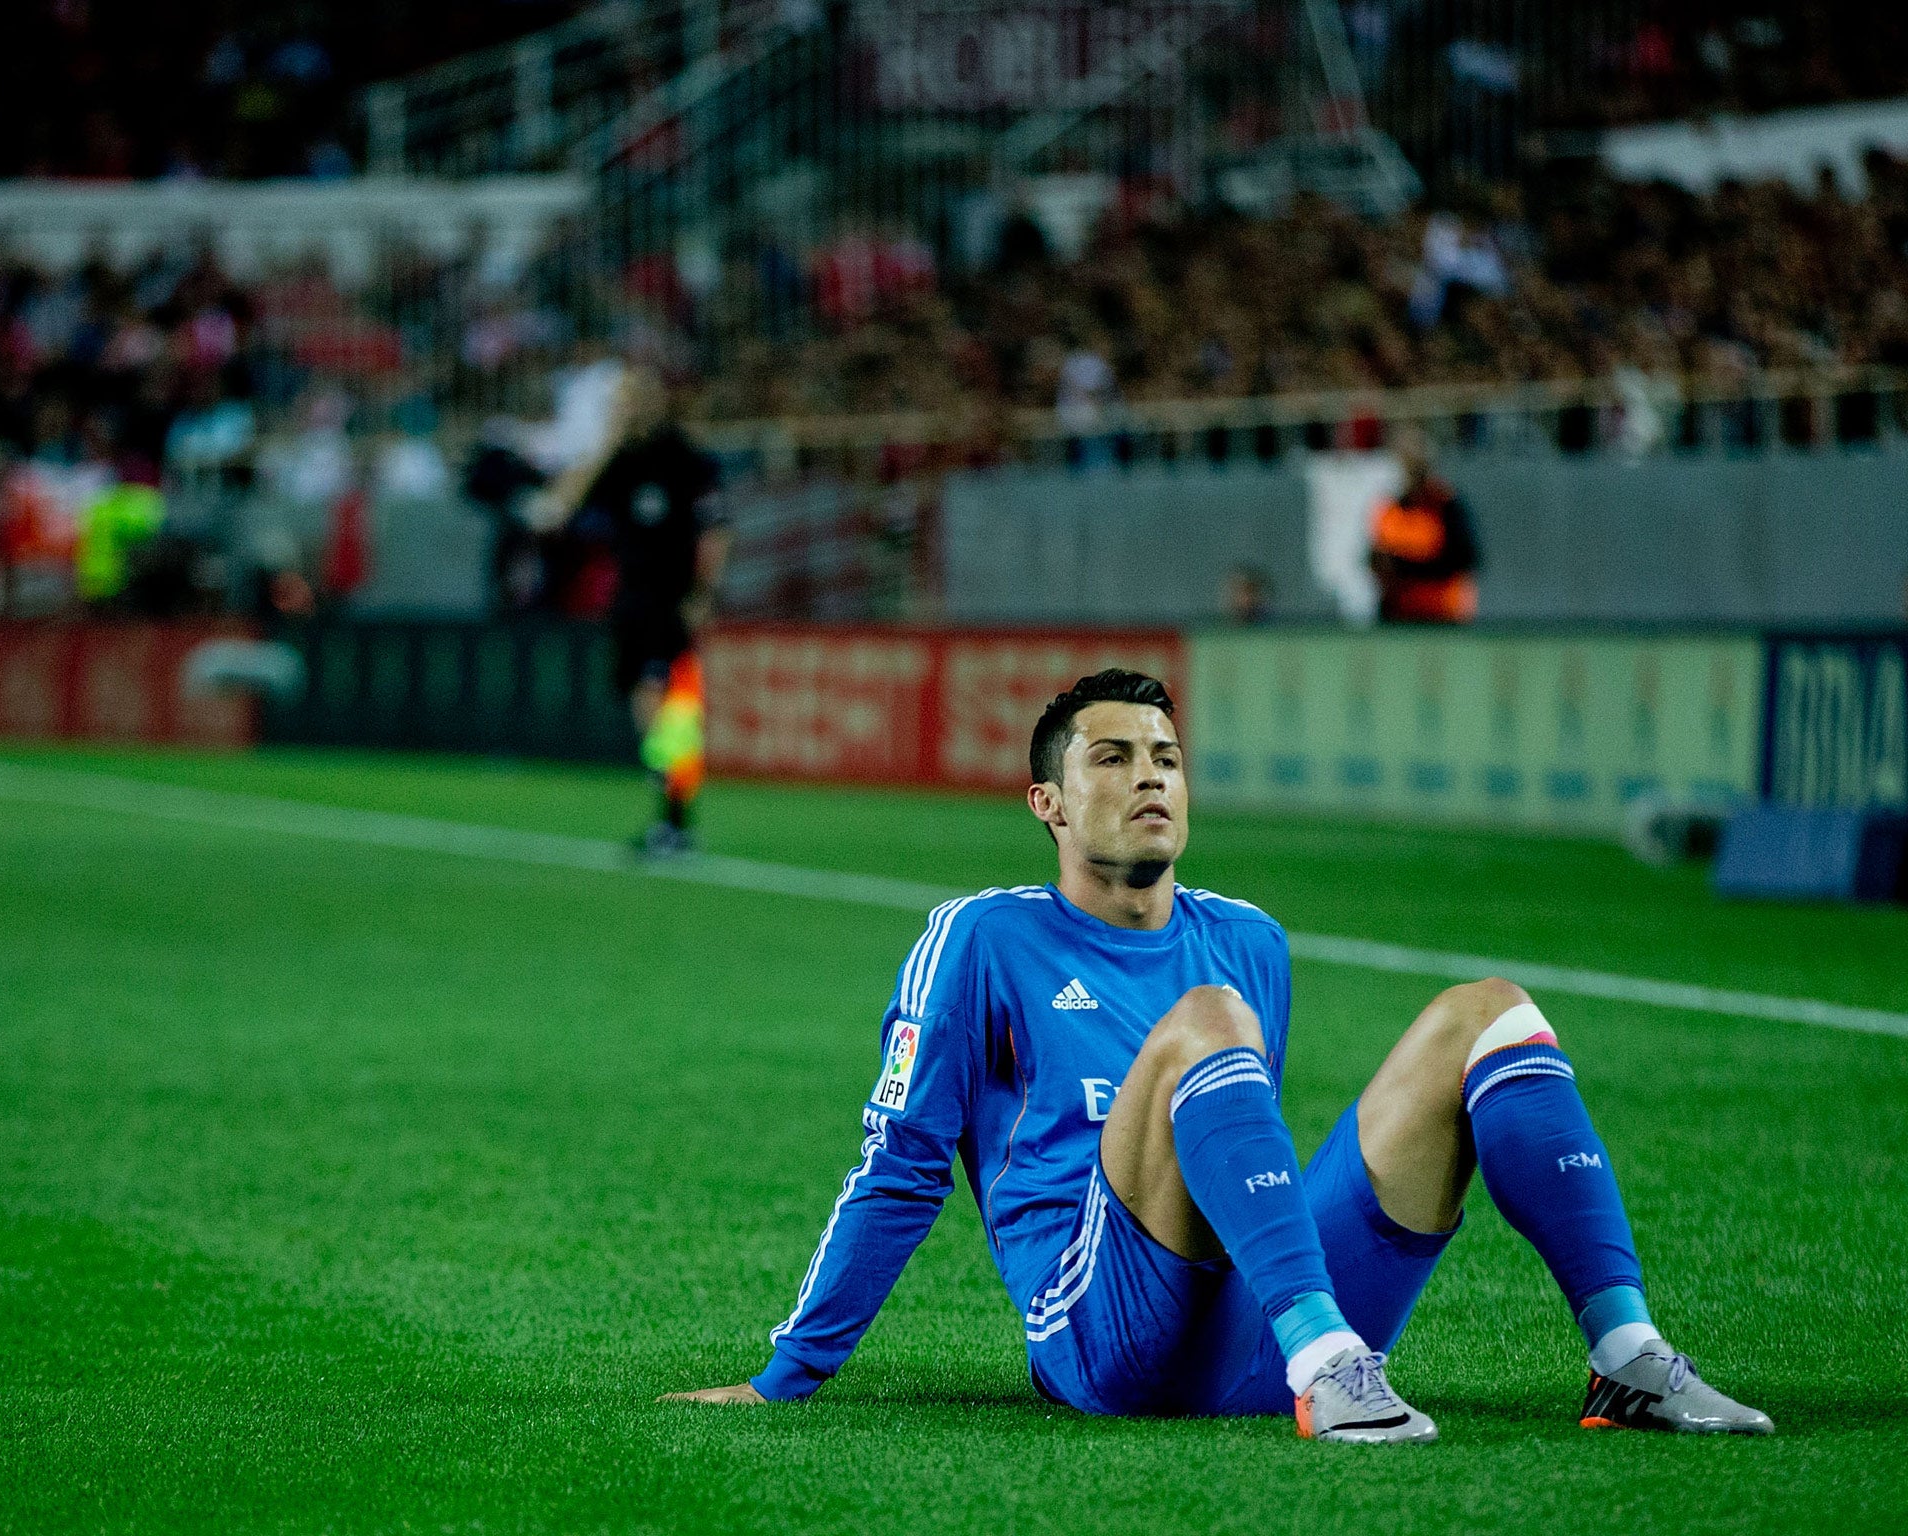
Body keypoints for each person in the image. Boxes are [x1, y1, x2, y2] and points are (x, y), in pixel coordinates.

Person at [663, 669, 1772, 1440]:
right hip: (1099, 1338)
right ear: (1047, 803)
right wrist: (785, 1378)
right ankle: (1326, 1362)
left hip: (1258, 1326)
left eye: (1166, 757)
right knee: (1206, 1020)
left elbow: (1240, 1154)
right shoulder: (980, 940)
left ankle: (1622, 1356)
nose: (1150, 777)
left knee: (1484, 1011)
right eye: (1113, 758)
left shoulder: (1248, 939)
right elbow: (899, 1170)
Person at [573, 368, 730, 853]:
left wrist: (703, 592)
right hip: (632, 601)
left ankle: (676, 819)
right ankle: (671, 817)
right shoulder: (621, 459)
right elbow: (564, 505)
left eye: (631, 398)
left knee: (666, 707)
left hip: (669, 600)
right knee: (650, 710)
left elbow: (715, 530)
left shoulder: (682, 458)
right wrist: (604, 445)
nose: (624, 407)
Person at [1370, 432, 1481, 624]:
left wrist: (1405, 566)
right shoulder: (1390, 508)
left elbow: (1464, 557)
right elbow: (1376, 559)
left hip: (1443, 614)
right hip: (1399, 614)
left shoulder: (1445, 504)